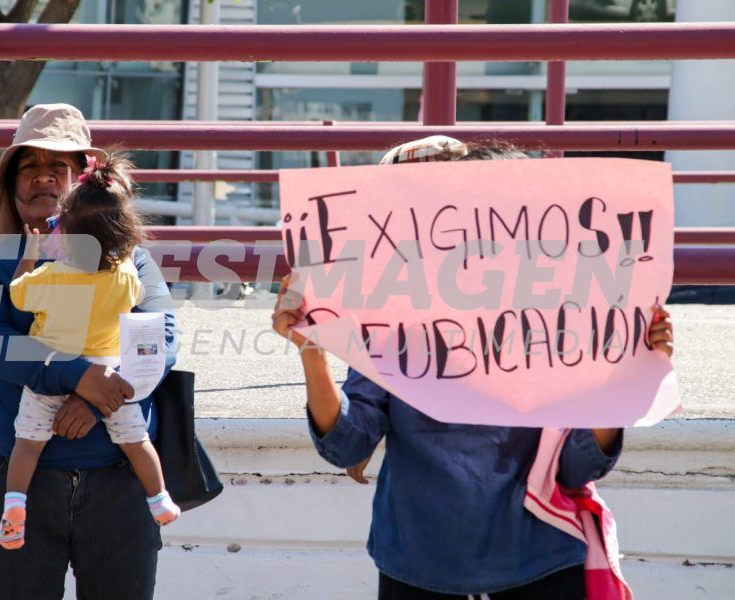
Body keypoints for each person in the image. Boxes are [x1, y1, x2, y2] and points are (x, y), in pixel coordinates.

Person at [271, 137, 675, 599]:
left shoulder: (557, 318)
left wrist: (623, 369)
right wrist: (312, 350)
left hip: (538, 563)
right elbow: (346, 445)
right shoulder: (387, 321)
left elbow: (577, 465)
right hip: (418, 567)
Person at [0, 104, 176, 599]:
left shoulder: (133, 262)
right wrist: (77, 375)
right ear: (10, 184)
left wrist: (98, 393)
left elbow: (160, 336)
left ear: (82, 182)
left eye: (58, 166)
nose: (42, 178)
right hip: (16, 481)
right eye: (28, 165)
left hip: (117, 484)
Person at [0, 153, 180, 552]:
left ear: (62, 232)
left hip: (48, 372)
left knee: (27, 443)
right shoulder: (127, 276)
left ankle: (14, 505)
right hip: (109, 374)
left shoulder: (49, 275)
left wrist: (32, 252)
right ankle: (160, 498)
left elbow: (18, 294)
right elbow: (143, 311)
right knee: (136, 441)